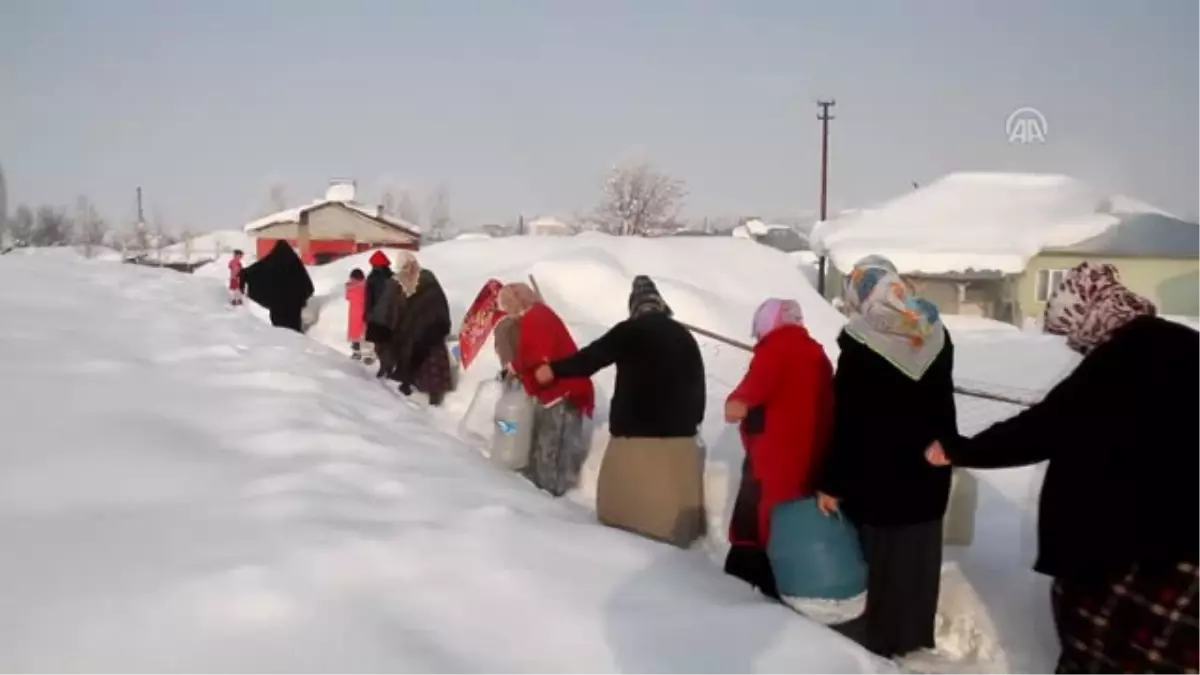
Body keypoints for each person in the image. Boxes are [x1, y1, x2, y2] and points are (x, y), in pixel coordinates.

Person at [925, 262, 1200, 673]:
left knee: (1103, 654)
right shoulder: (1186, 347)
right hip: (1183, 553)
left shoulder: (1122, 357)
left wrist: (959, 450)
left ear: (1085, 313)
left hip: (1126, 553)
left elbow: (1042, 429)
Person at [814, 256, 955, 659]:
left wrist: (832, 482)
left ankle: (876, 654)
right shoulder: (934, 331)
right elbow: (942, 403)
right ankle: (913, 642)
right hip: (930, 471)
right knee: (918, 563)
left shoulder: (861, 342)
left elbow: (849, 423)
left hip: (877, 478)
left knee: (880, 566)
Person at [535, 275, 706, 548]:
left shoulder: (629, 331)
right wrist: (693, 421)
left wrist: (554, 370)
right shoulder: (683, 335)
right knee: (668, 506)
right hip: (679, 433)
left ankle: (625, 529)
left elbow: (590, 359)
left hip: (634, 428)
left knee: (624, 504)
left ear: (634, 308)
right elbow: (699, 382)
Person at [723, 298, 834, 600]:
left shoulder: (774, 350)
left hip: (772, 456)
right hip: (811, 454)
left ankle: (748, 586)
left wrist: (736, 402)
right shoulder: (817, 352)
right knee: (791, 519)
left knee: (758, 520)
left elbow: (751, 391)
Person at [499, 282, 595, 497]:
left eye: (508, 306)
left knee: (555, 444)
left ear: (517, 301)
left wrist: (516, 366)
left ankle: (552, 494)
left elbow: (541, 355)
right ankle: (542, 487)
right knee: (545, 440)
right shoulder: (536, 315)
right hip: (555, 389)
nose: (508, 313)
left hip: (565, 389)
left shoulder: (537, 318)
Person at [391, 254, 453, 405]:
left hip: (431, 329)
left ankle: (435, 395)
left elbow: (434, 305)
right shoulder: (410, 283)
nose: (404, 272)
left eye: (406, 268)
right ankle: (415, 386)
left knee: (432, 364)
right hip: (417, 329)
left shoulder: (426, 280)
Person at [238, 240, 314, 332]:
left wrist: (244, 274)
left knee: (279, 331)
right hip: (293, 307)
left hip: (277, 307)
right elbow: (307, 286)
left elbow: (256, 270)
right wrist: (300, 298)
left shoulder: (271, 262)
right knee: (294, 331)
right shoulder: (295, 264)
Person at [362, 250, 394, 368]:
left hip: (376, 315)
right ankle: (389, 365)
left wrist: (366, 314)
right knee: (389, 341)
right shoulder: (393, 277)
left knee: (379, 343)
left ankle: (384, 366)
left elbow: (369, 298)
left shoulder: (372, 278)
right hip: (391, 314)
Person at [345, 268, 367, 360]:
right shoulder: (365, 287)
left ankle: (356, 352)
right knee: (364, 333)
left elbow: (347, 297)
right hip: (364, 312)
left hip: (353, 314)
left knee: (355, 334)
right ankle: (366, 354)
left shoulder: (349, 288)